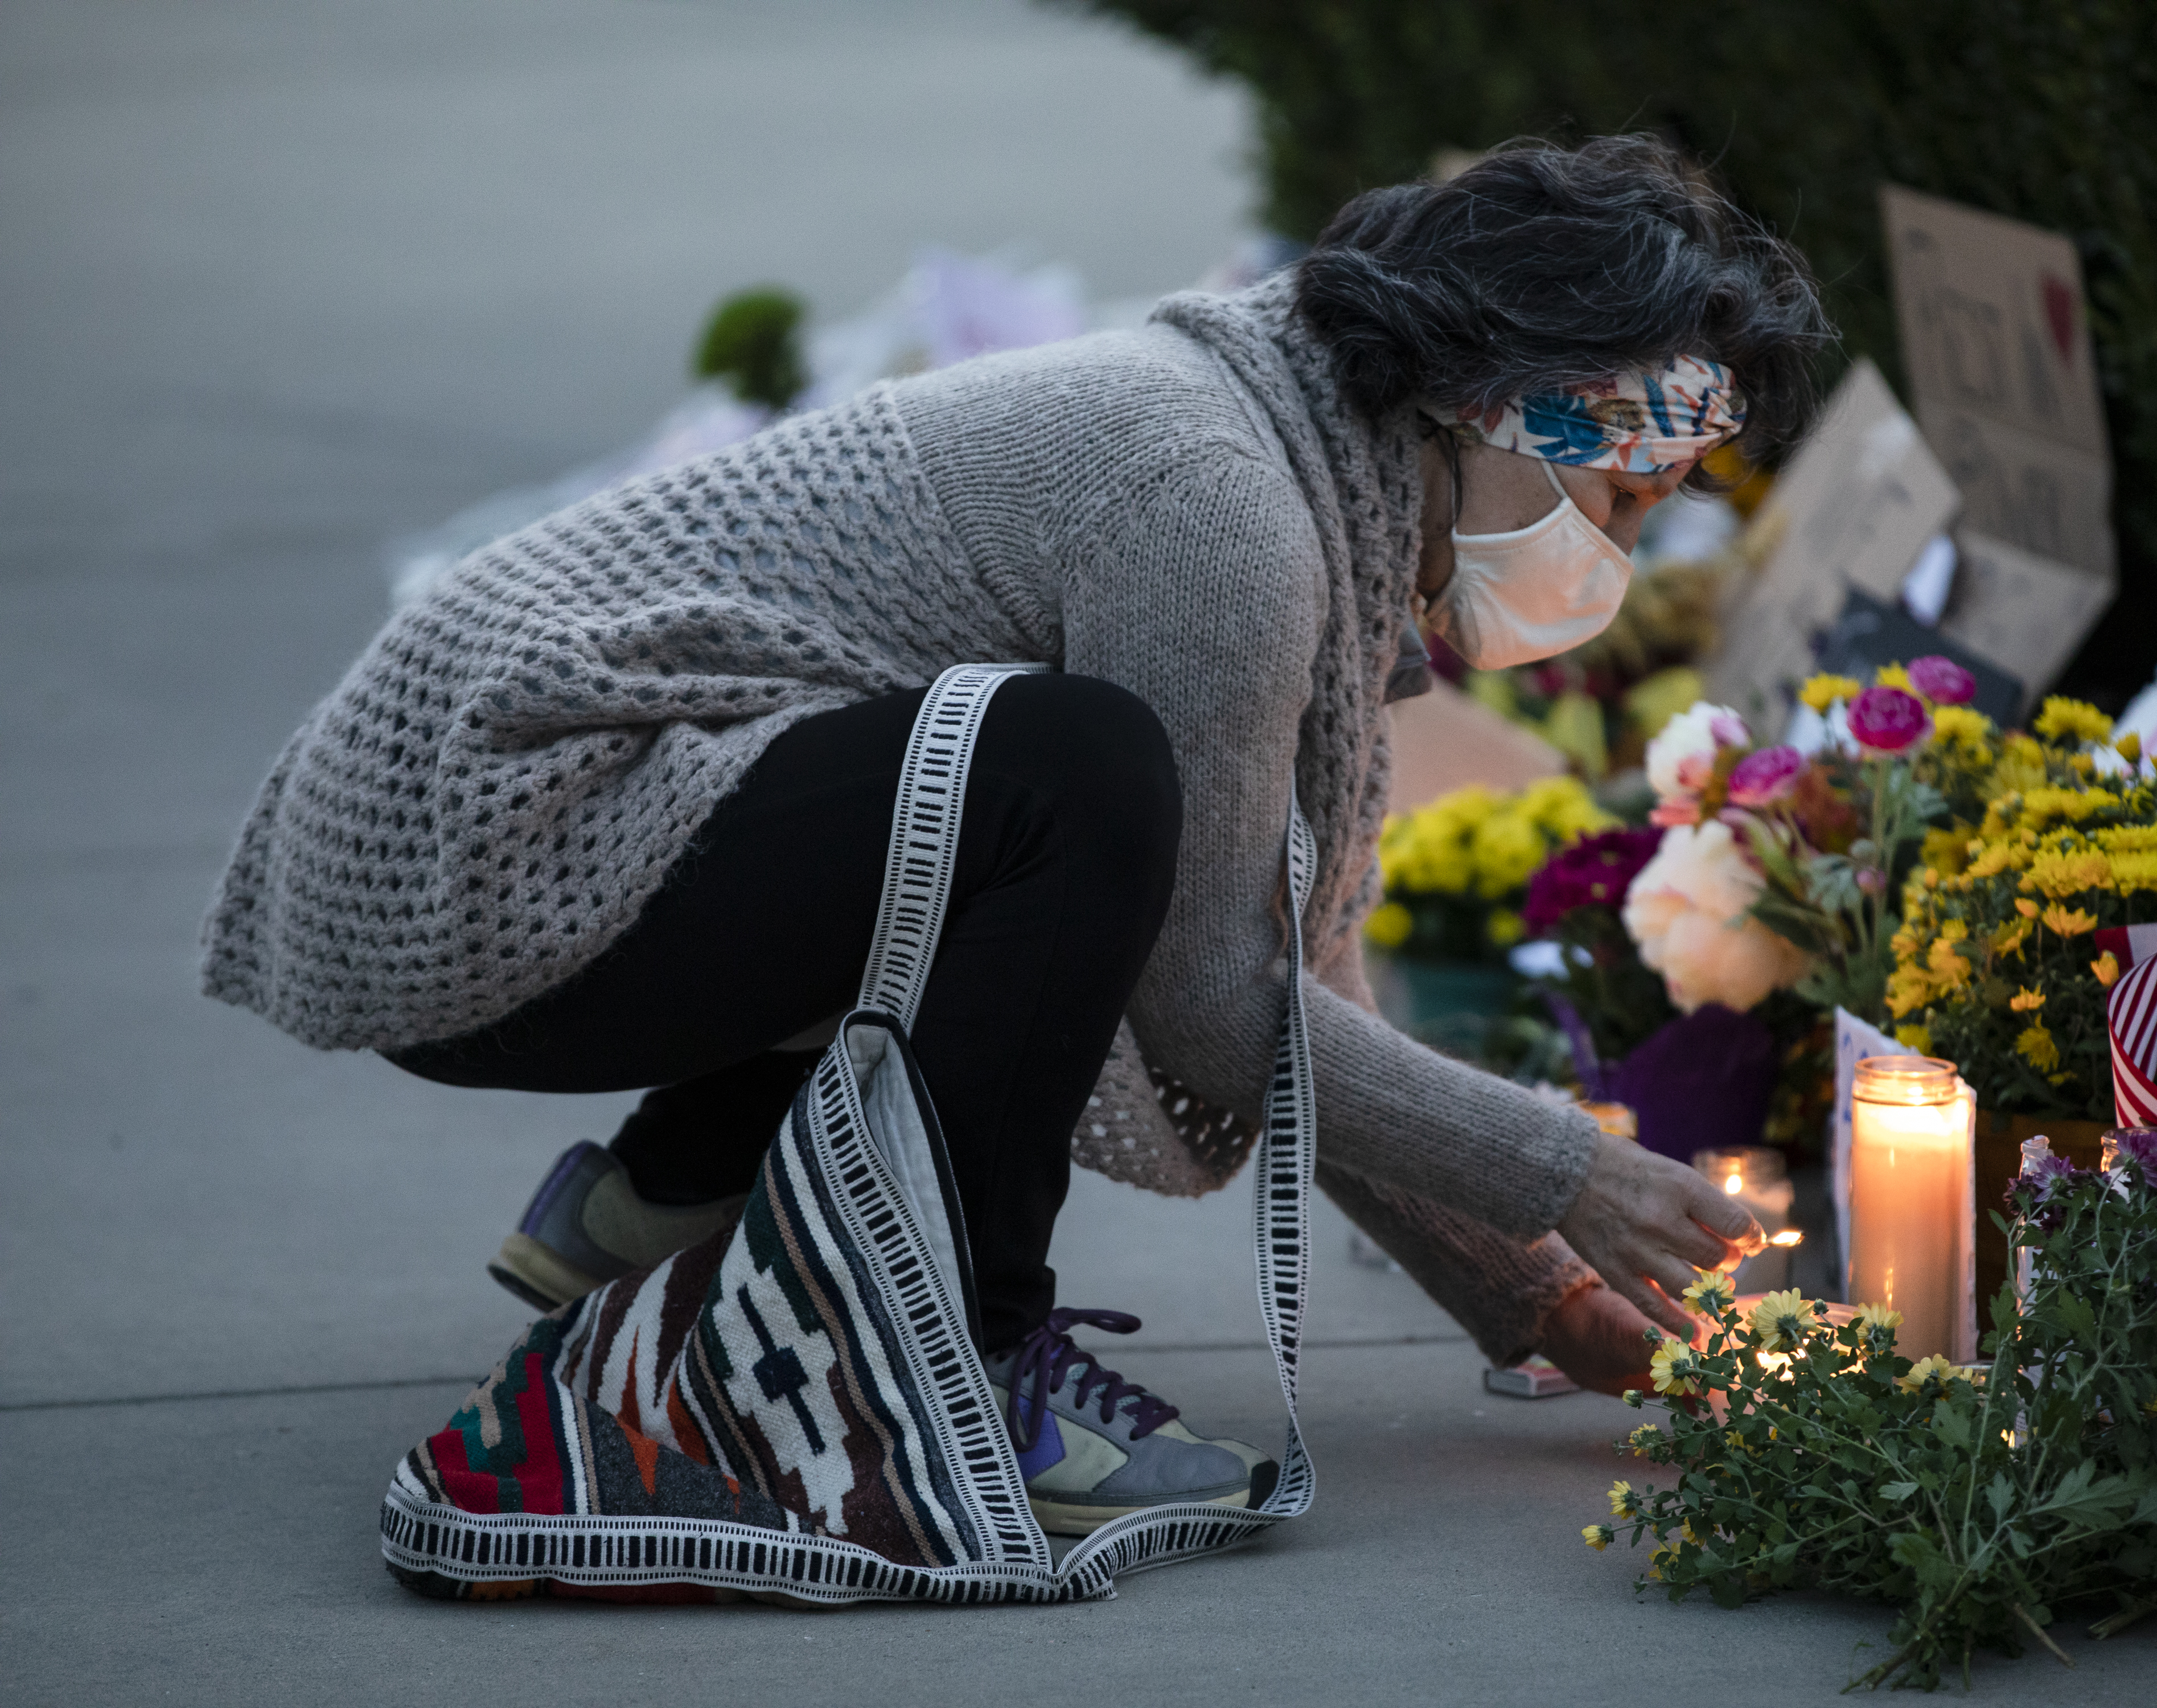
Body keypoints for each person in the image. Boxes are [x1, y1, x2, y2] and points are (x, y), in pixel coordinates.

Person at [202, 135, 1831, 1535]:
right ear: (1488, 395)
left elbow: (1295, 979)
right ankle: (956, 1357)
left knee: (1003, 800)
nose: (1616, 549)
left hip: (549, 822)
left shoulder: (1296, 449)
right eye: (1618, 493)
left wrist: (1542, 1298)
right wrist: (1571, 1171)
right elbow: (1210, 996)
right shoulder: (1214, 502)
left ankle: (659, 1208)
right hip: (493, 842)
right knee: (1063, 775)